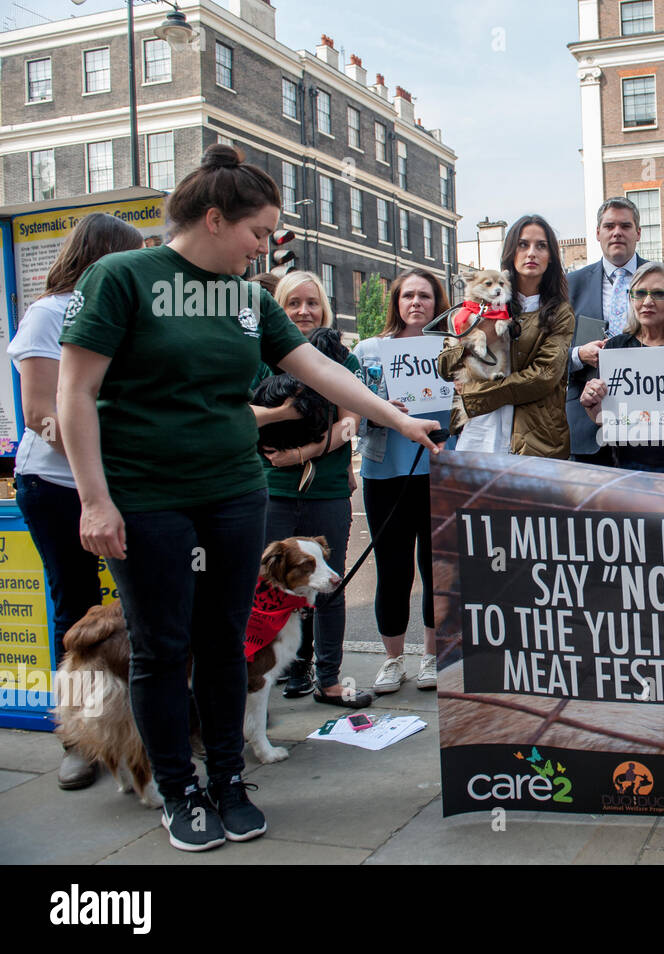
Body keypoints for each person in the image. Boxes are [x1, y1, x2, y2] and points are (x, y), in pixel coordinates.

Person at [57, 144, 442, 852]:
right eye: (259, 232)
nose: (266, 245)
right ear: (212, 218)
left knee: (224, 643)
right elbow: (75, 390)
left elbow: (316, 365)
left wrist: (394, 417)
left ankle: (229, 780)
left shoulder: (244, 298)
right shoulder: (122, 278)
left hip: (233, 492)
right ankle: (178, 790)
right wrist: (94, 500)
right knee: (161, 649)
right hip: (147, 496)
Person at [7, 212, 142, 791]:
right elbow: (40, 411)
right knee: (76, 608)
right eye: (133, 253)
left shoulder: (130, 312)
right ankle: (79, 740)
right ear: (104, 256)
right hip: (56, 487)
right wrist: (100, 449)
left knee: (142, 608)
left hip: (127, 483)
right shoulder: (48, 313)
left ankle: (144, 725)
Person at [252, 270, 366, 707]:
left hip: (326, 491)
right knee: (269, 588)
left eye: (312, 303)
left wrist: (302, 453)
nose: (303, 311)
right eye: (293, 303)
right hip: (270, 489)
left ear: (325, 308)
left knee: (328, 585)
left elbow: (351, 420)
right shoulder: (260, 356)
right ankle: (275, 671)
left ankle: (330, 677)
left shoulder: (341, 358)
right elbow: (243, 415)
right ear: (278, 308)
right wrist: (287, 412)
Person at [353, 268, 453, 697]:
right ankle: (392, 660)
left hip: (438, 471)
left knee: (436, 570)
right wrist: (378, 408)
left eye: (425, 296)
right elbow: (351, 415)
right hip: (385, 473)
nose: (416, 303)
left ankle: (431, 654)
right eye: (408, 295)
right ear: (396, 301)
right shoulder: (368, 349)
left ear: (438, 303)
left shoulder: (454, 349)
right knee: (392, 571)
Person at [437, 214, 574, 458]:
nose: (531, 253)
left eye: (541, 246)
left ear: (551, 256)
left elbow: (544, 377)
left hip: (537, 438)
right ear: (511, 251)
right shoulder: (475, 304)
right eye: (523, 244)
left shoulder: (560, 312)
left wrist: (475, 395)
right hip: (481, 430)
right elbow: (445, 366)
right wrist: (475, 337)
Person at [566, 198, 664, 465]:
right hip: (589, 428)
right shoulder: (570, 285)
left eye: (625, 225)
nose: (617, 232)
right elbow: (550, 355)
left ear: (638, 232)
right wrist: (578, 354)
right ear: (598, 232)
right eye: (609, 226)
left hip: (655, 432)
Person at [577, 262, 664, 475]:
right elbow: (604, 419)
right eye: (639, 293)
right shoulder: (616, 347)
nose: (647, 302)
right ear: (631, 298)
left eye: (658, 293)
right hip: (629, 468)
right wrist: (592, 405)